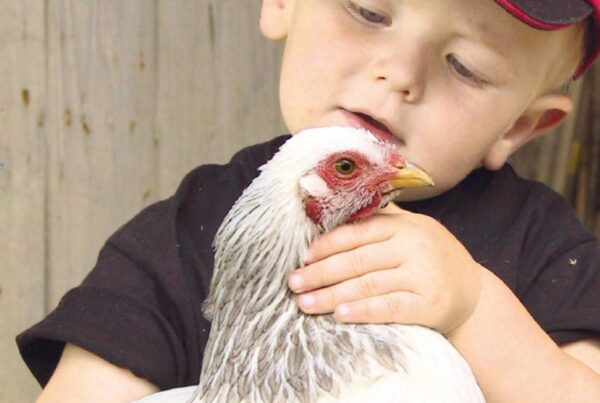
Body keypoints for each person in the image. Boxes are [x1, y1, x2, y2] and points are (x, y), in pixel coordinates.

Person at [18, 0, 600, 401]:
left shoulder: (542, 245)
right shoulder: (183, 234)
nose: (398, 74)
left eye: (464, 66)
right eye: (369, 11)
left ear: (522, 124)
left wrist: (474, 309)